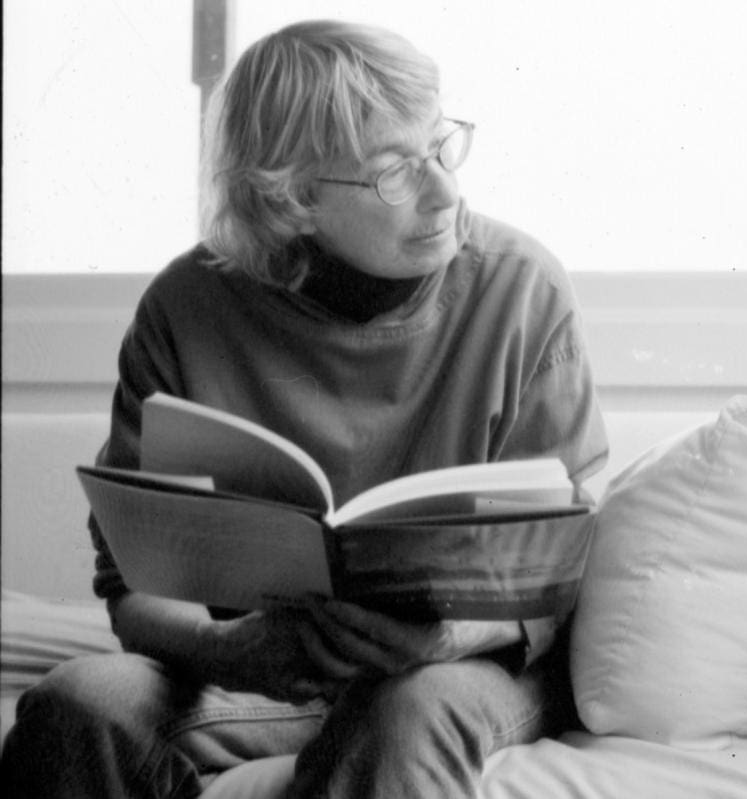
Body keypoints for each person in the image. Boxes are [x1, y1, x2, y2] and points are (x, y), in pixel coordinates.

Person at [0, 19, 607, 799]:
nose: (445, 192)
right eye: (394, 173)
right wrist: (230, 648)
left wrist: (447, 635)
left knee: (408, 709)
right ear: (290, 199)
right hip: (259, 675)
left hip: (462, 666)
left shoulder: (522, 290)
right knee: (79, 702)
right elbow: (131, 584)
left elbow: (569, 558)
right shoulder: (185, 309)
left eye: (441, 148)